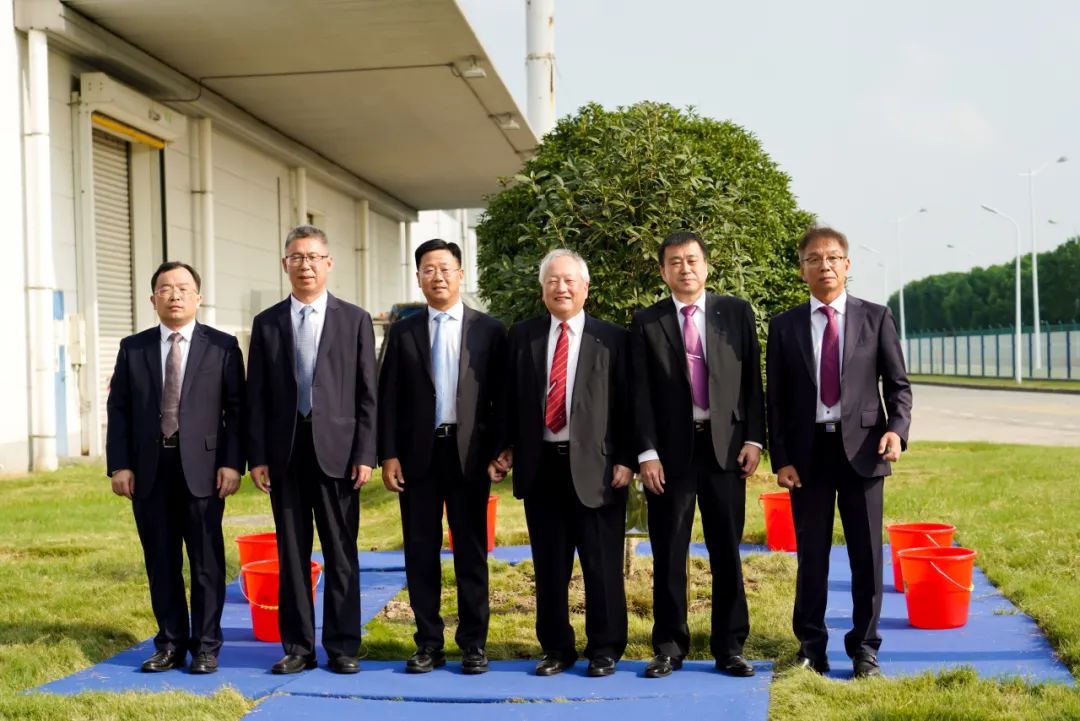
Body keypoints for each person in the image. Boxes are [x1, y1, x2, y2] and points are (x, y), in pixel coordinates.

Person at [765, 225, 912, 678]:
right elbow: (776, 400)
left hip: (864, 451)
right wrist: (781, 458)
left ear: (847, 265)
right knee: (812, 556)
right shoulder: (785, 325)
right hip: (807, 456)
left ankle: (864, 648)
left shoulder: (876, 317)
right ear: (802, 270)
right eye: (813, 259)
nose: (824, 266)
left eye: (832, 258)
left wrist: (897, 431)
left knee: (866, 556)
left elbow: (898, 385)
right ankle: (812, 646)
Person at [490, 249, 634, 678]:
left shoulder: (612, 338)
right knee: (550, 566)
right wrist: (503, 446)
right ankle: (556, 648)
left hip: (599, 468)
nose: (561, 288)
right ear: (542, 290)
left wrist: (627, 458)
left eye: (570, 280)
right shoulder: (523, 336)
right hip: (542, 467)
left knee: (602, 565)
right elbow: (507, 398)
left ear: (585, 288)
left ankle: (605, 648)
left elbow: (629, 404)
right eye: (553, 281)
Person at [630, 231, 765, 679]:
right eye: (675, 262)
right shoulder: (647, 321)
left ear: (706, 266)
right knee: (669, 552)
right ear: (662, 271)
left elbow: (752, 383)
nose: (684, 268)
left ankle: (730, 647)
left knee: (726, 550)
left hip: (726, 450)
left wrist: (754, 439)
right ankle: (669, 647)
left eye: (692, 260)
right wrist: (646, 452)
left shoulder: (735, 313)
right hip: (670, 457)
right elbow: (639, 394)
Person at [247, 225, 377, 675]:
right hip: (285, 454)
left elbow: (367, 393)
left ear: (329, 263)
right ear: (285, 265)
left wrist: (365, 453)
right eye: (297, 258)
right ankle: (299, 647)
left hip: (339, 454)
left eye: (313, 257)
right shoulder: (266, 323)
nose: (306, 265)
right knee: (292, 554)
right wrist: (257, 456)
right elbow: (257, 396)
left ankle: (342, 646)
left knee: (341, 553)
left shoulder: (354, 319)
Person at [106, 261, 245, 675]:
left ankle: (206, 646)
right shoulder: (134, 348)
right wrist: (120, 465)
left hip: (203, 469)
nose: (175, 295)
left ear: (198, 297)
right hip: (149, 468)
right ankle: (169, 643)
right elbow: (119, 409)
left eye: (183, 288)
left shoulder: (222, 346)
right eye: (165, 289)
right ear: (153, 299)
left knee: (206, 562)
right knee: (161, 560)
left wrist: (232, 463)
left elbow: (236, 412)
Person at [377, 238, 505, 675]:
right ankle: (428, 643)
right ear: (418, 278)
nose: (438, 277)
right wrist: (388, 454)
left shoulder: (488, 330)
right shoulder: (404, 332)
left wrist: (500, 450)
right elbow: (388, 397)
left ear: (461, 273)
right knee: (420, 551)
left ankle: (474, 644)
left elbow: (501, 399)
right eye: (428, 270)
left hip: (469, 455)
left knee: (471, 551)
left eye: (445, 268)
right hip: (418, 456)